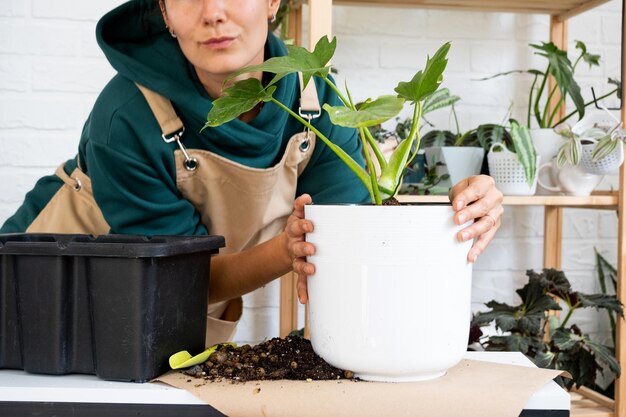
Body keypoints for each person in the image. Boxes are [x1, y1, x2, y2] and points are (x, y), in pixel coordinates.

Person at [0, 0, 503, 344]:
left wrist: (454, 212)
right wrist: (286, 250)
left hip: (151, 315)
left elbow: (352, 234)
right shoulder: (127, 114)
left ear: (272, 1)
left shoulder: (318, 99)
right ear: (165, 15)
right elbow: (174, 279)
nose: (213, 13)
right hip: (44, 293)